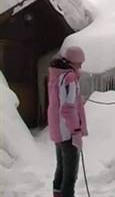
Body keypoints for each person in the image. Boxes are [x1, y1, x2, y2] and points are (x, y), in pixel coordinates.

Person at [47, 46, 88, 197]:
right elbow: (68, 109)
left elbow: (60, 102)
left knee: (61, 170)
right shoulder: (70, 78)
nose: (81, 67)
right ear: (73, 62)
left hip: (57, 131)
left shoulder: (56, 75)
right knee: (70, 176)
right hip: (68, 133)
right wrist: (76, 131)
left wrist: (79, 100)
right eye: (80, 63)